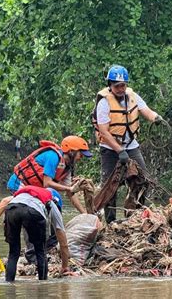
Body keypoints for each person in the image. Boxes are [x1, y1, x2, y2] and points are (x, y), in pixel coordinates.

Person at [92, 64, 163, 223]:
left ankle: (135, 216)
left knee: (143, 179)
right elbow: (104, 131)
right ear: (110, 85)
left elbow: (146, 111)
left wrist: (156, 118)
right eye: (117, 86)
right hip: (110, 148)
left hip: (131, 145)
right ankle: (110, 221)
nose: (120, 88)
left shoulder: (133, 96)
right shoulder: (104, 103)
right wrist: (119, 151)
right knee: (110, 186)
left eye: (123, 85)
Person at [0, 186, 72, 282]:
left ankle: (9, 284)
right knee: (40, 251)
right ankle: (43, 285)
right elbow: (63, 242)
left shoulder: (26, 193)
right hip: (33, 212)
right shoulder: (51, 203)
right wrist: (65, 266)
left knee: (13, 252)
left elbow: (5, 201)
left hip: (12, 209)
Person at [10, 136, 93, 213]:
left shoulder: (67, 167)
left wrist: (84, 213)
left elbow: (70, 193)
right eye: (80, 155)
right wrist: (70, 188)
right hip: (19, 183)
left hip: (33, 187)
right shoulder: (53, 156)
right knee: (24, 211)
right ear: (71, 151)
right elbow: (47, 183)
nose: (80, 158)